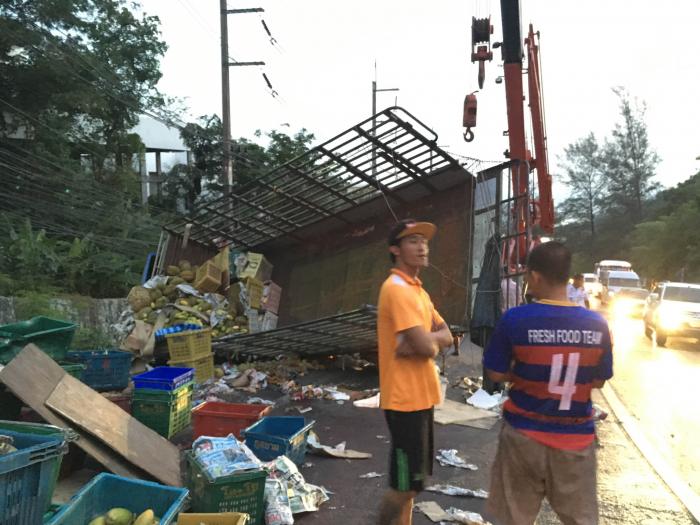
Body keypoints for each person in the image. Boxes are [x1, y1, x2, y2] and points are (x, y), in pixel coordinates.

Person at [482, 241, 613, 525]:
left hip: (523, 437)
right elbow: (599, 380)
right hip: (576, 439)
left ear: (535, 276)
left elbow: (494, 373)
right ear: (567, 275)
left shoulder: (515, 320)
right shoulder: (597, 325)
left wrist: (521, 371)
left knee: (514, 518)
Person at [376, 219, 454, 525]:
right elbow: (426, 346)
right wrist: (427, 342)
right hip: (404, 400)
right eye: (412, 241)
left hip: (421, 397)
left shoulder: (418, 292)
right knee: (404, 485)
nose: (422, 247)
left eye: (424, 241)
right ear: (395, 249)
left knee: (412, 486)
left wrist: (426, 341)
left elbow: (447, 335)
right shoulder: (396, 289)